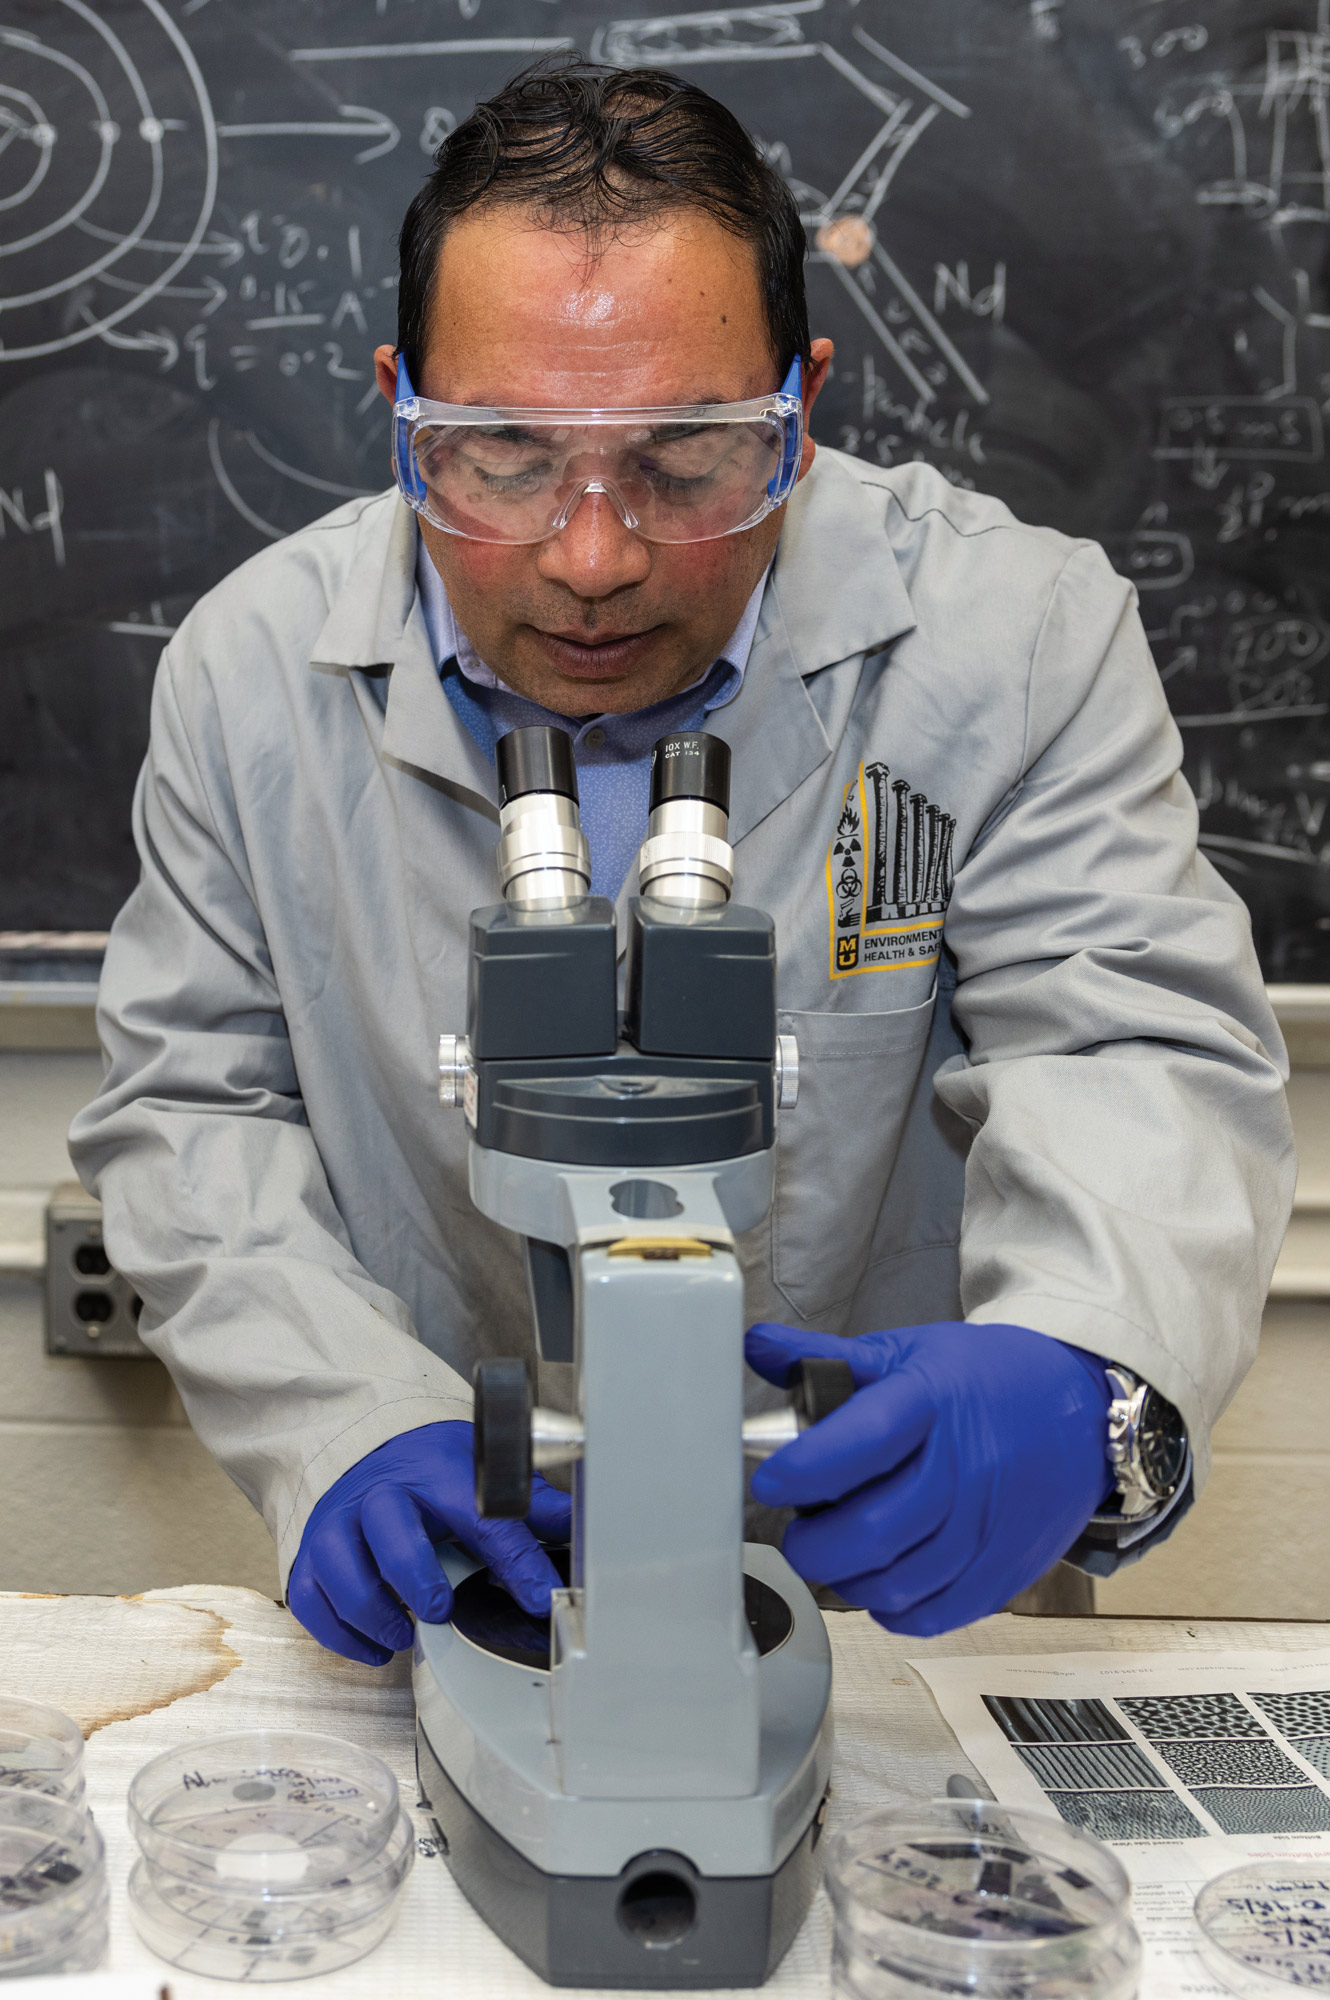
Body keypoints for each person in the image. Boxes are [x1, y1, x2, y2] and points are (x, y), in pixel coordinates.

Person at [70, 57, 1294, 1665]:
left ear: (802, 408)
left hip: (906, 1612)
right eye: (502, 453)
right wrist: (342, 1419)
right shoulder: (251, 671)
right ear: (400, 410)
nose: (592, 557)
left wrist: (1082, 1366)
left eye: (688, 454)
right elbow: (196, 1108)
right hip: (470, 1583)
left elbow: (1131, 1046)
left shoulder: (1015, 639)